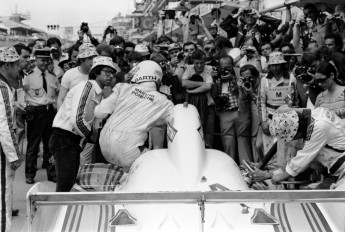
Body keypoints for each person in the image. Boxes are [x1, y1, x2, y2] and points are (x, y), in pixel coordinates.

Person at [50, 56, 116, 192]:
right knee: (65, 186)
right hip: (65, 138)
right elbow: (77, 118)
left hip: (71, 139)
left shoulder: (98, 92)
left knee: (69, 182)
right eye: (107, 72)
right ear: (96, 72)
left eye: (112, 73)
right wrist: (88, 135)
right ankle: (60, 211)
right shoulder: (88, 86)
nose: (111, 76)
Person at [94, 60, 174, 171]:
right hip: (130, 150)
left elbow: (99, 113)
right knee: (161, 167)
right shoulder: (165, 102)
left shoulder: (122, 87)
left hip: (104, 145)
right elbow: (175, 126)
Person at [270, 107, 345, 189]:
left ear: (297, 132)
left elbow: (304, 157)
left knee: (319, 198)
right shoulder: (313, 115)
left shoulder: (319, 127)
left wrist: (282, 176)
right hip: (333, 170)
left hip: (341, 171)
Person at [0, 47, 23, 232]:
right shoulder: (2, 88)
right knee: (3, 198)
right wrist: (14, 156)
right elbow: (5, 125)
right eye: (16, 65)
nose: (19, 69)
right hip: (1, 150)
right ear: (7, 65)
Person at [57, 43, 98, 110]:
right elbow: (61, 99)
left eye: (94, 57)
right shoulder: (69, 74)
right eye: (90, 58)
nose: (93, 61)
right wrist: (60, 117)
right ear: (82, 60)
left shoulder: (97, 75)